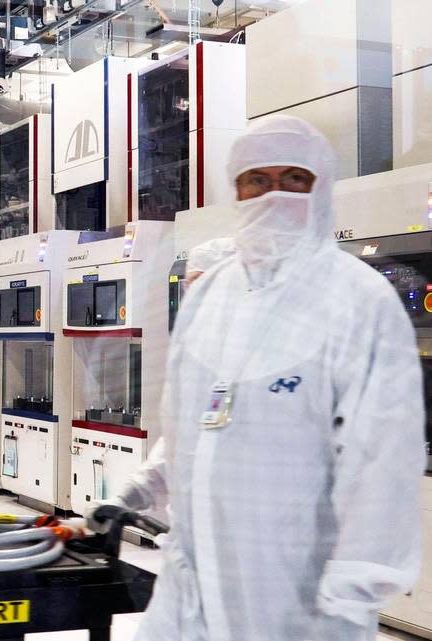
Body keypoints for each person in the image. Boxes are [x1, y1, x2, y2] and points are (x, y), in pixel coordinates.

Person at [88, 115, 425, 641]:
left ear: (321, 187)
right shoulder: (210, 295)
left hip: (297, 598)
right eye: (257, 180)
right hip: (190, 583)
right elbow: (195, 428)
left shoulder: (358, 300)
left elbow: (383, 466)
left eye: (294, 179)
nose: (274, 195)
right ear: (237, 189)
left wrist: (349, 597)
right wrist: (139, 489)